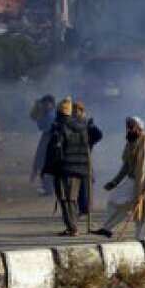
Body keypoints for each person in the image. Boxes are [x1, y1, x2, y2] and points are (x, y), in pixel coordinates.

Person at [93, 117, 145, 241]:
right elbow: (126, 166)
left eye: (131, 126)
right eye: (128, 126)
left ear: (139, 128)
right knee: (115, 201)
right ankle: (107, 228)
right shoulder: (130, 143)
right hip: (132, 181)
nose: (129, 129)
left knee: (144, 211)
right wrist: (114, 182)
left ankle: (141, 238)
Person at [45, 97, 91, 236]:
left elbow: (56, 150)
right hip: (79, 168)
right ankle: (72, 225)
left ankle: (72, 227)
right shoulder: (81, 126)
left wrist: (50, 166)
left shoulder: (61, 127)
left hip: (65, 168)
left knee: (66, 199)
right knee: (72, 198)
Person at [73, 101, 104, 218]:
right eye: (73, 111)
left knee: (85, 186)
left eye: (77, 111)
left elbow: (99, 135)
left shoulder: (86, 124)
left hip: (85, 159)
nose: (75, 114)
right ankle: (79, 208)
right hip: (73, 159)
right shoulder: (71, 124)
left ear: (82, 112)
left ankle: (85, 209)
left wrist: (91, 128)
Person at [29, 94, 57, 195]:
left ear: (50, 104)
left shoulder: (51, 114)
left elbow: (42, 126)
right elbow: (33, 118)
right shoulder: (49, 113)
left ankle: (49, 189)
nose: (44, 105)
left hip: (51, 139)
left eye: (46, 103)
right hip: (48, 138)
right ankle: (48, 188)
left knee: (44, 162)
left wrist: (38, 110)